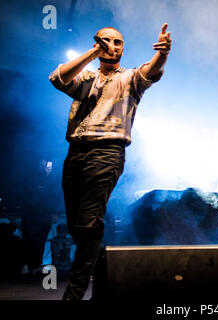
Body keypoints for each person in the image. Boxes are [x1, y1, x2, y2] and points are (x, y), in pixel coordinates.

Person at [49, 23, 171, 300]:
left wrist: (163, 53)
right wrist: (92, 53)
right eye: (106, 41)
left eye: (118, 43)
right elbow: (58, 79)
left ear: (123, 48)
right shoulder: (87, 78)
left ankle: (73, 294)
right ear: (96, 42)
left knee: (89, 223)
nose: (112, 47)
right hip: (76, 152)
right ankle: (104, 277)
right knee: (77, 227)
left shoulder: (128, 79)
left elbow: (151, 71)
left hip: (107, 152)